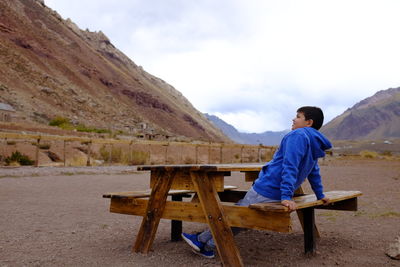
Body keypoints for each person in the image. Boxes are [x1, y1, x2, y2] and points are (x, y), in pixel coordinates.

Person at [181, 106, 332, 259]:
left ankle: (207, 244)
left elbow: (290, 166)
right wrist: (320, 194)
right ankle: (202, 240)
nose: (293, 119)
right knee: (241, 213)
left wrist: (286, 196)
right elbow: (314, 171)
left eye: (298, 116)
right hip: (277, 191)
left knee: (239, 216)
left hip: (267, 188)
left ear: (309, 122)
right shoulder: (315, 142)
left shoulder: (297, 135)